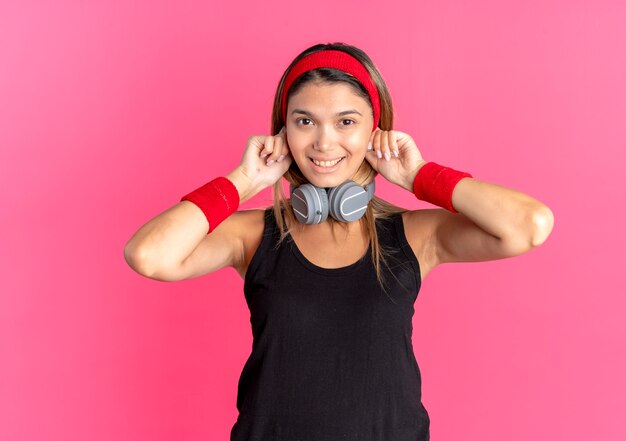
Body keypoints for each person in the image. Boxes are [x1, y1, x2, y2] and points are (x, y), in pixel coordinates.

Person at [124, 42, 554, 441]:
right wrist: (243, 181)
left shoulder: (413, 234)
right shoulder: (253, 234)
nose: (323, 142)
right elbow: (149, 255)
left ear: (375, 130)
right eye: (304, 121)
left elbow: (529, 225)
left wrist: (419, 175)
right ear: (282, 132)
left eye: (346, 121)